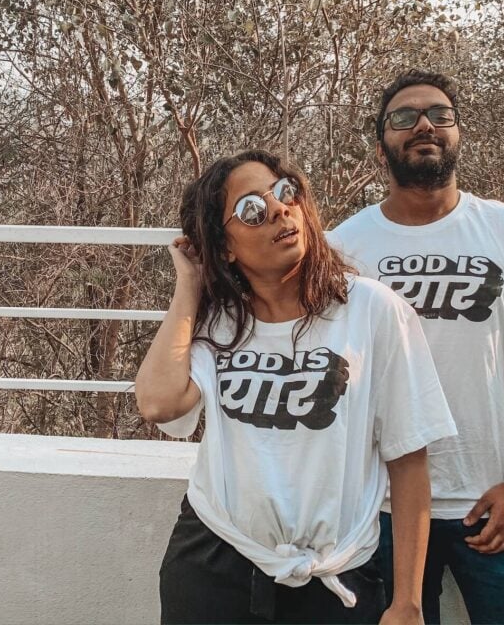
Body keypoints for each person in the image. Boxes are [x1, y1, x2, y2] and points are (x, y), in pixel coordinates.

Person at [136, 149, 457, 625]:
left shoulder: (371, 310)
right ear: (224, 247)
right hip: (214, 561)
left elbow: (408, 460)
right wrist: (190, 284)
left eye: (284, 193)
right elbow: (158, 403)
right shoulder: (219, 323)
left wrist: (407, 602)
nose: (279, 210)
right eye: (252, 209)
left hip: (336, 574)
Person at [330, 70, 504, 624]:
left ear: (458, 133)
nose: (424, 125)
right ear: (381, 144)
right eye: (404, 117)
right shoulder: (342, 247)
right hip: (380, 509)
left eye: (439, 114)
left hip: (493, 499)